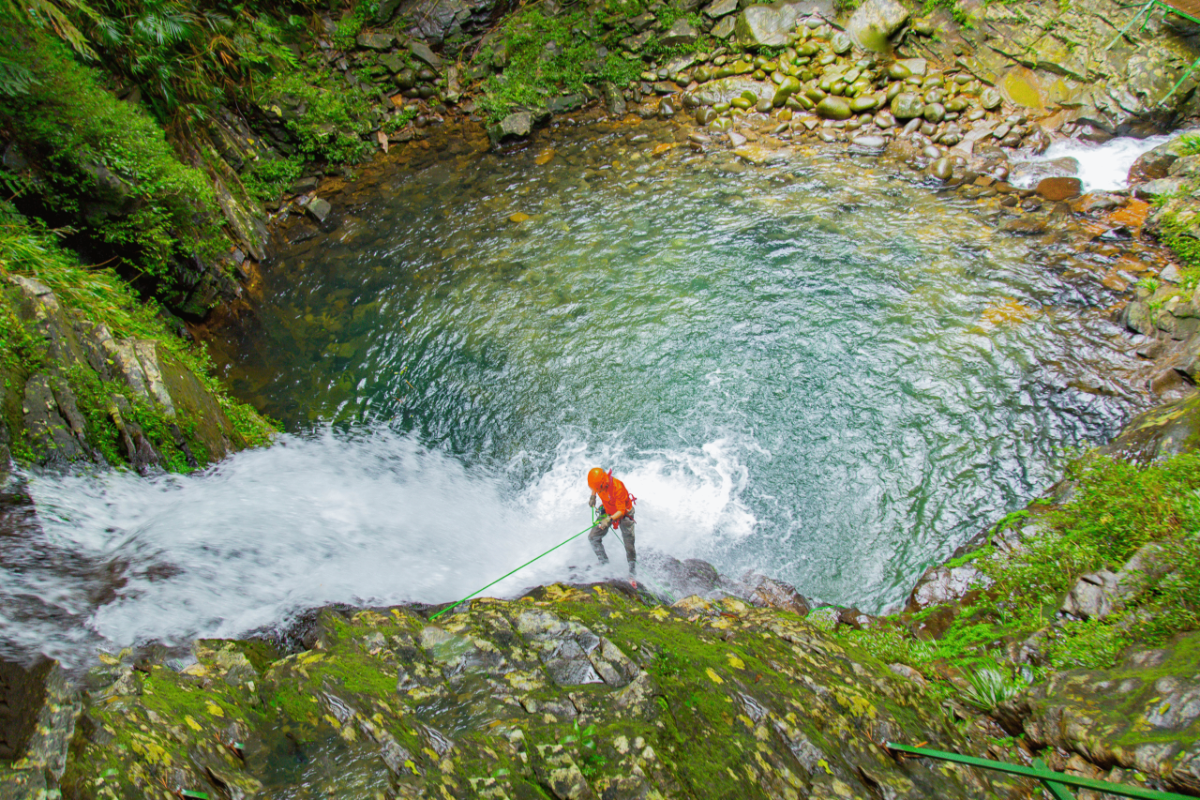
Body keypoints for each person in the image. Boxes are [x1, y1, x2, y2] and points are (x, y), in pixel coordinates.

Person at [587, 467, 636, 579]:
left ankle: (632, 573)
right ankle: (604, 563)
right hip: (608, 510)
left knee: (629, 545)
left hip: (624, 514)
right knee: (593, 537)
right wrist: (593, 496)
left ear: (603, 484)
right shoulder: (599, 484)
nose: (598, 491)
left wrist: (608, 520)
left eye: (598, 490)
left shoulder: (618, 487)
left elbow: (621, 511)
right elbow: (595, 487)